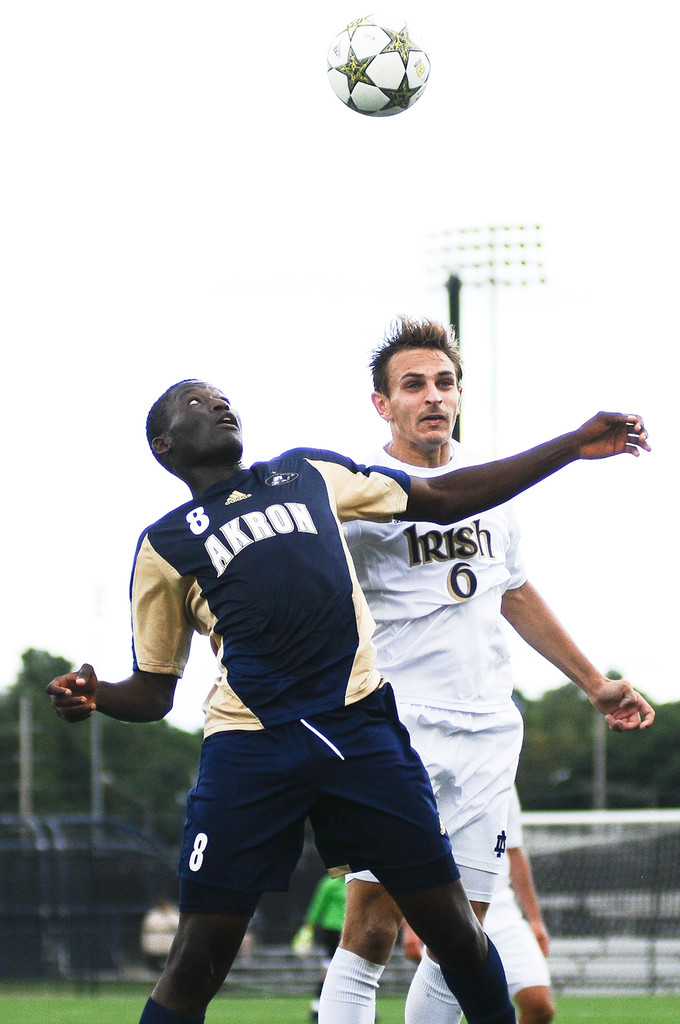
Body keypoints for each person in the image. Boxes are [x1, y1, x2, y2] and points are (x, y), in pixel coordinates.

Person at [45, 374, 651, 1024]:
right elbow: (153, 691)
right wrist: (97, 695)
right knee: (196, 961)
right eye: (196, 402)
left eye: (222, 396)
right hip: (250, 750)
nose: (219, 403)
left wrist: (572, 444)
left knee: (455, 933)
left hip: (361, 734)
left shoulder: (306, 474)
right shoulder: (166, 545)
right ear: (164, 446)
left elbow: (445, 499)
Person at [317, 317, 654, 1024]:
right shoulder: (357, 492)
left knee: (460, 937)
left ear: (460, 394)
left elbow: (515, 591)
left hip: (487, 737)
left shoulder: (491, 491)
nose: (432, 397)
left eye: (445, 382)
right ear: (382, 403)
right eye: (413, 385)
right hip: (397, 731)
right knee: (373, 925)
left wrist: (595, 683)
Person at [403, 786, 555, 1024]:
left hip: (502, 910)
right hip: (448, 907)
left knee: (540, 1006)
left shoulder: (503, 776)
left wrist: (535, 920)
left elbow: (514, 851)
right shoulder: (431, 768)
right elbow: (408, 846)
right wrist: (409, 925)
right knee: (454, 997)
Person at [293, 874, 348, 1021]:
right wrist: (308, 928)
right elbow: (318, 905)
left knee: (350, 967)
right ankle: (317, 1006)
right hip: (333, 930)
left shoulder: (357, 881)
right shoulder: (330, 883)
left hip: (352, 929)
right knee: (330, 967)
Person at [141, 898, 181, 974]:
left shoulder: (172, 914)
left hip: (169, 947)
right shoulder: (152, 915)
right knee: (154, 971)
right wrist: (145, 945)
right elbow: (147, 930)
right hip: (155, 948)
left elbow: (177, 925)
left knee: (169, 970)